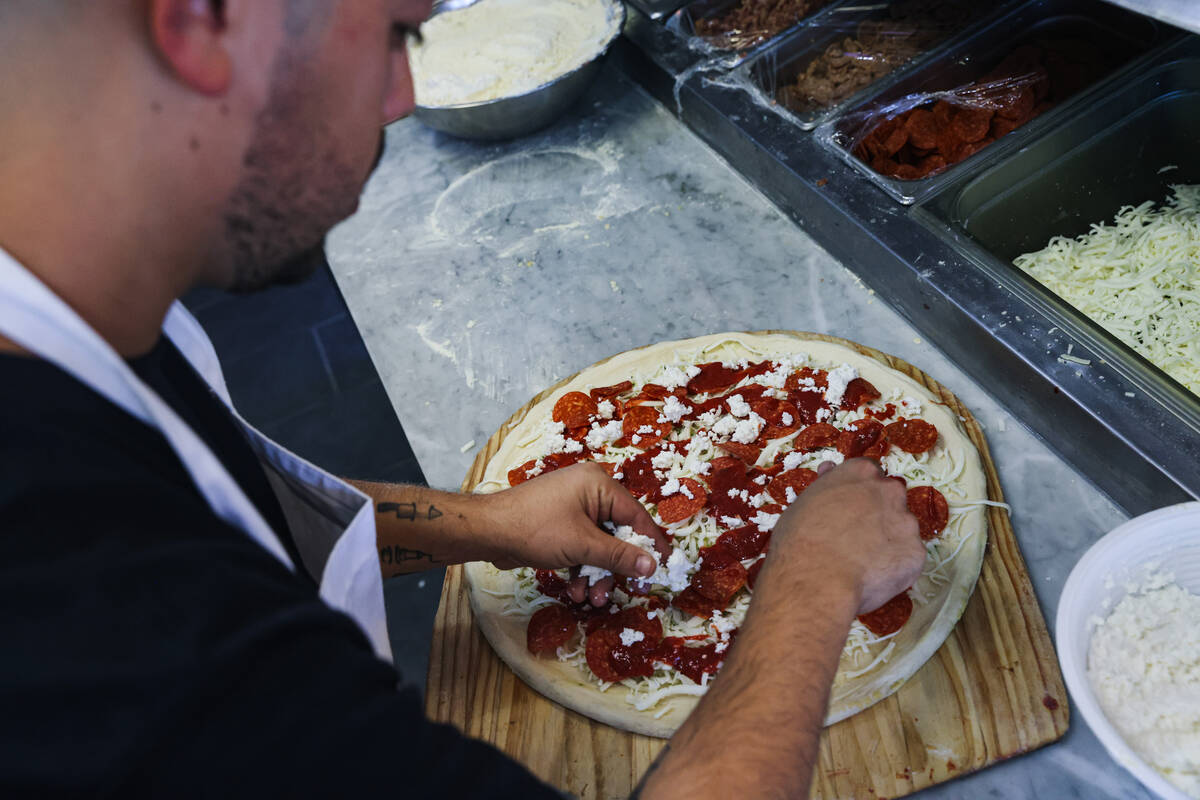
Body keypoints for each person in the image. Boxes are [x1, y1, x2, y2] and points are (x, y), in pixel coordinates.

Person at [0, 1, 926, 797]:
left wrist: (482, 524)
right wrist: (809, 588)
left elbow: (230, 497)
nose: (401, 97)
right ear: (202, 22)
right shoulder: (83, 605)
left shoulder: (63, 311)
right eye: (394, 33)